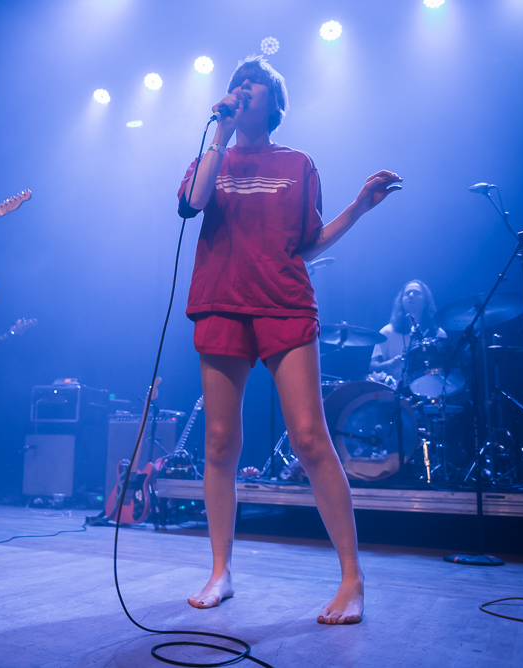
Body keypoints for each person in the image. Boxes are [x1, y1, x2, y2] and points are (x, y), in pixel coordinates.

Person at [177, 56, 402, 623]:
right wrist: (220, 133)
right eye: (238, 83)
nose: (243, 89)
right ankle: (220, 570)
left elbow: (307, 243)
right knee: (221, 441)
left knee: (309, 436)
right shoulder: (213, 154)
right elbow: (191, 203)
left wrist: (357, 207)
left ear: (275, 105)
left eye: (255, 85)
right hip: (221, 301)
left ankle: (352, 580)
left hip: (283, 300)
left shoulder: (298, 163)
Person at [369, 280, 446, 382]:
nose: (411, 295)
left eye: (416, 292)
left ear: (425, 301)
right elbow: (373, 366)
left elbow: (448, 367)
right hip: (396, 393)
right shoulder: (387, 332)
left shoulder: (438, 333)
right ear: (401, 301)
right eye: (407, 293)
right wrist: (390, 364)